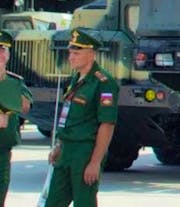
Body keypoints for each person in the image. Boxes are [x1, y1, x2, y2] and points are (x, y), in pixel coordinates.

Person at [45, 29, 119, 207]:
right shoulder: (76, 79)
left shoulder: (104, 83)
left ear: (91, 54)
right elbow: (69, 116)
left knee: (84, 203)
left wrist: (95, 162)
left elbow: (107, 124)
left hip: (85, 152)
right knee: (52, 202)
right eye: (70, 52)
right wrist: (59, 145)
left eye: (76, 53)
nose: (71, 57)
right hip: (66, 150)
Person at [0, 30, 32, 206]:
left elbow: (25, 106)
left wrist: (3, 81)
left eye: (3, 49)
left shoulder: (15, 81)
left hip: (2, 151)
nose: (0, 54)